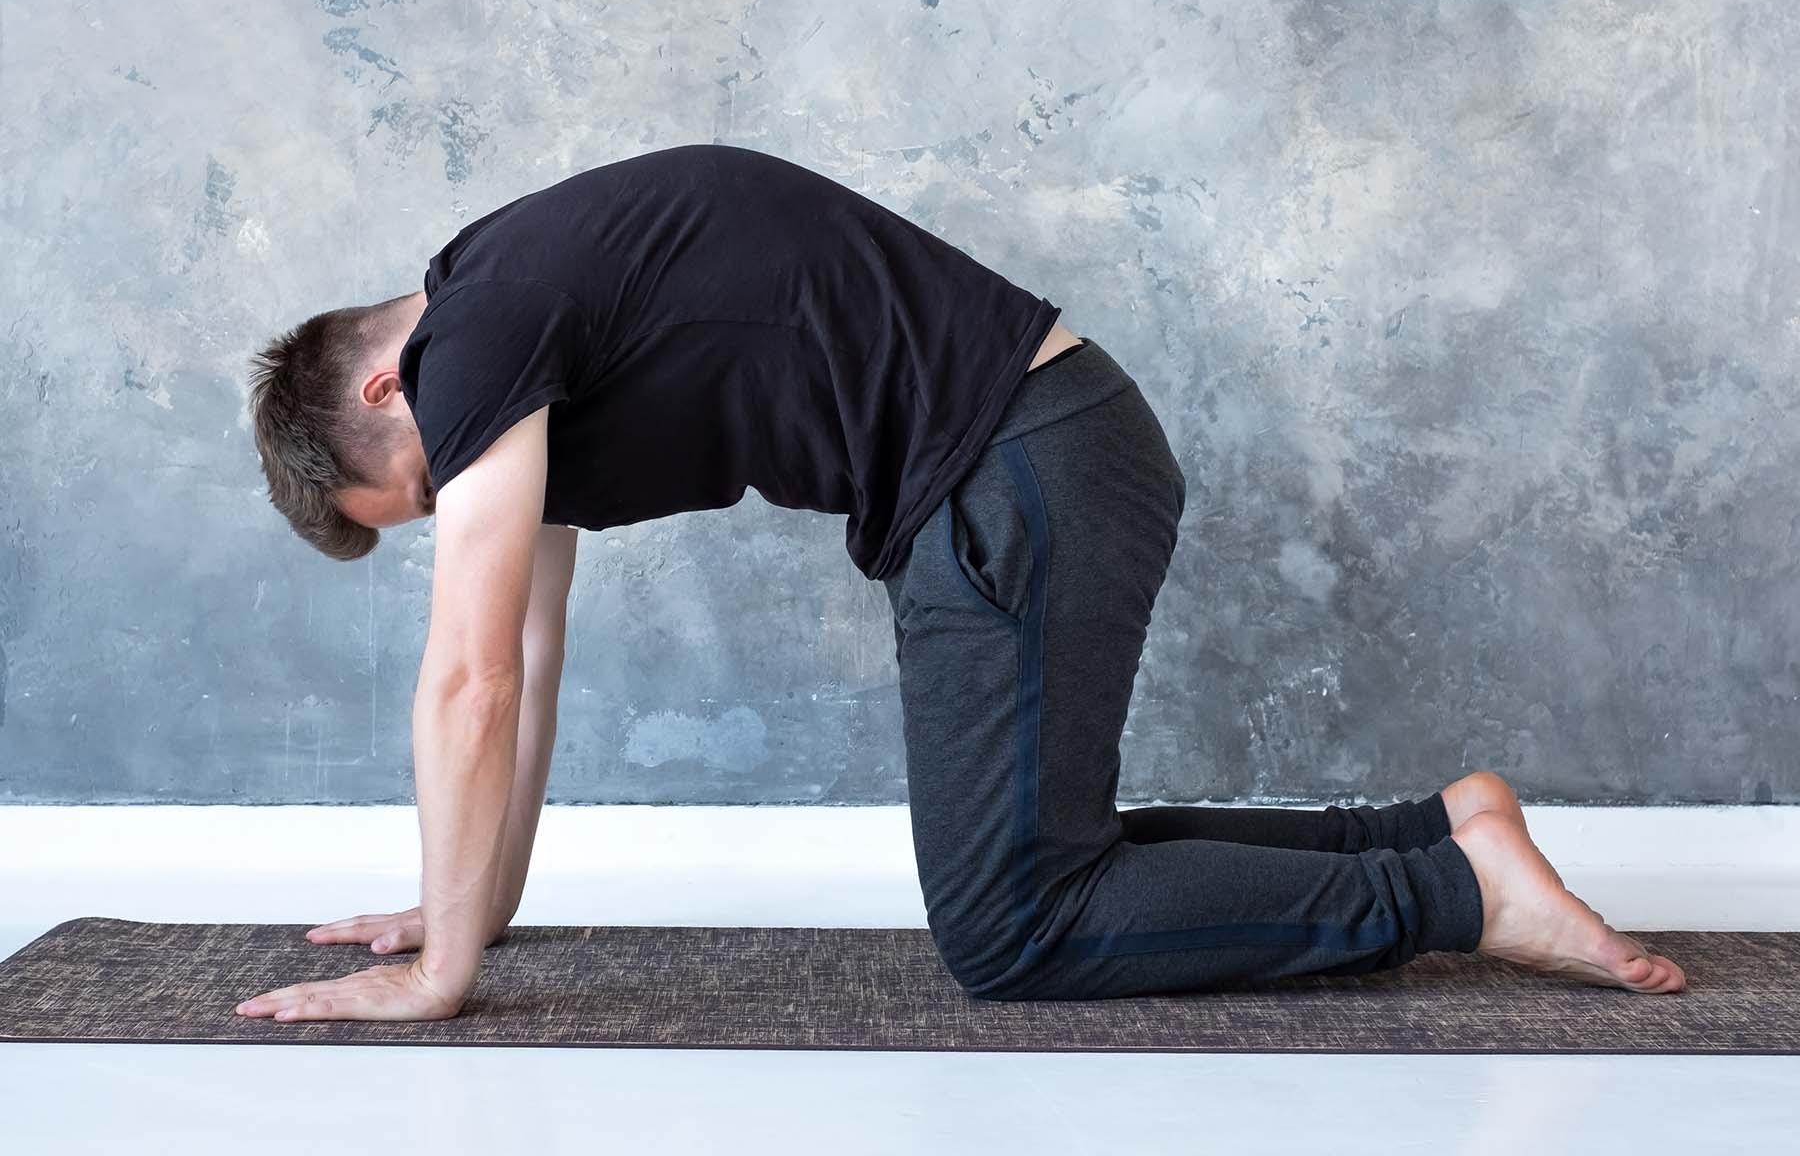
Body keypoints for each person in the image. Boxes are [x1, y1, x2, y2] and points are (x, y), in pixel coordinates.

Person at [233, 143, 1684, 1024]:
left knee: (1016, 925)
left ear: (383, 381)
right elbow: (528, 661)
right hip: (1024, 464)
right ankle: (1442, 832)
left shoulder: (474, 342)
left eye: (419, 493)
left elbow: (469, 674)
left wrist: (437, 988)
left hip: (1022, 473)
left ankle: (1455, 894)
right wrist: (463, 906)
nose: (453, 515)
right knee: (1049, 857)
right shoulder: (505, 301)